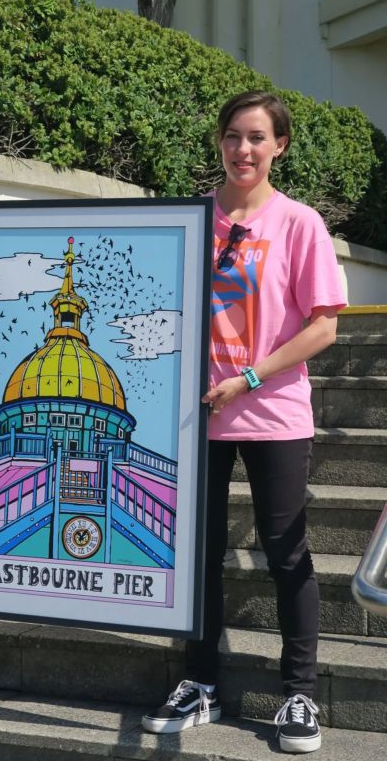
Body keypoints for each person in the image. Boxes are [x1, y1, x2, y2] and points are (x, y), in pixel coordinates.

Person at [141, 91, 346, 753]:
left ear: (279, 145)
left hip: (273, 411)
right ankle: (199, 683)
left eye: (257, 138)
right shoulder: (190, 219)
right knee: (197, 556)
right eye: (232, 136)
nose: (242, 150)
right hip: (194, 414)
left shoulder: (298, 223)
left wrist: (250, 377)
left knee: (287, 554)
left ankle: (299, 695)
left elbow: (323, 328)